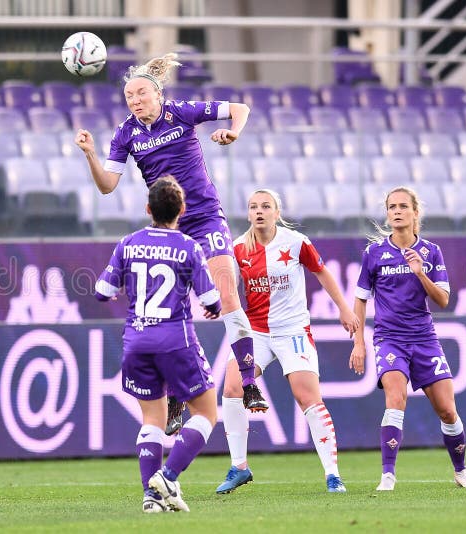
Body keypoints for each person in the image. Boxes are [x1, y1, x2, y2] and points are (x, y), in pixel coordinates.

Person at [76, 52, 268, 434]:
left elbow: (240, 108)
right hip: (169, 227)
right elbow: (107, 186)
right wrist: (91, 155)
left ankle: (249, 383)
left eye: (141, 93)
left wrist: (234, 132)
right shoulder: (125, 133)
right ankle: (180, 394)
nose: (135, 101)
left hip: (207, 218)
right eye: (129, 96)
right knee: (172, 312)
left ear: (158, 93)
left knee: (227, 295)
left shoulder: (182, 112)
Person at [216, 189, 359, 494]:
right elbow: (228, 290)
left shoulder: (296, 242)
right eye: (253, 206)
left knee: (307, 397)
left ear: (277, 212)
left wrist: (344, 309)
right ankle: (239, 467)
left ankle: (333, 475)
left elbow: (322, 272)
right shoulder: (238, 248)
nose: (259, 211)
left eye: (265, 206)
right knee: (231, 387)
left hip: (293, 330)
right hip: (255, 332)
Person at [94, 176, 221, 513]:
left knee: (152, 419)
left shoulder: (127, 243)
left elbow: (102, 292)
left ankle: (151, 499)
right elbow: (211, 298)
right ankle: (167, 476)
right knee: (207, 412)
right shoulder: (188, 246)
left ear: (148, 209)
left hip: (136, 341)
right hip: (175, 341)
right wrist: (214, 306)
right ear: (181, 210)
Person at [349, 186, 466, 491]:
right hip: (389, 338)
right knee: (396, 399)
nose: (396, 211)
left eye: (402, 206)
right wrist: (358, 342)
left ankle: (461, 472)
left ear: (414, 212)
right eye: (391, 207)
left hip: (424, 338)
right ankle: (388, 475)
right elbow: (360, 299)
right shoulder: (374, 253)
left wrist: (421, 274)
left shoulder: (431, 252)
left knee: (448, 410)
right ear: (387, 213)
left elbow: (444, 300)